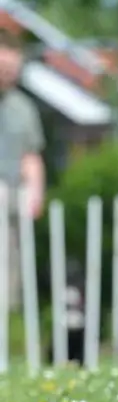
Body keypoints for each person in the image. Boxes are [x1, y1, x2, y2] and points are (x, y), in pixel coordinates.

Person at [0, 26, 45, 313]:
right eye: (4, 67)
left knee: (7, 279)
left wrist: (35, 196)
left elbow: (31, 156)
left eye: (14, 68)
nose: (9, 73)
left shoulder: (23, 107)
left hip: (11, 204)